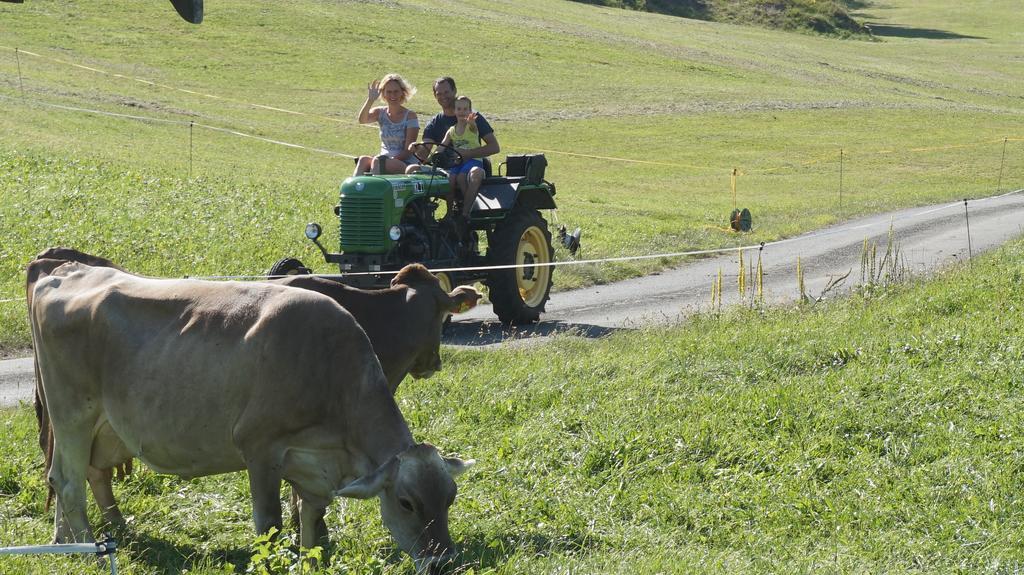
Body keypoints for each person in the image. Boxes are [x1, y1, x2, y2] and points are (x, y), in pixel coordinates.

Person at [407, 77, 500, 218]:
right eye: (439, 93)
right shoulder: (434, 123)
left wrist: (468, 154)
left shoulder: (472, 118)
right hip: (446, 169)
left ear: (454, 91)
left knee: (470, 174)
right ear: (435, 96)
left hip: (470, 165)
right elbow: (426, 152)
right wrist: (416, 149)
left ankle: (465, 212)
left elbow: (494, 147)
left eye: (446, 92)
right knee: (411, 169)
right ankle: (418, 215)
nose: (443, 96)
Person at [354, 73, 419, 176]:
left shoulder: (410, 116)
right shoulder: (380, 112)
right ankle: (354, 190)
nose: (392, 95)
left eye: (396, 91)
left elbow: (408, 151)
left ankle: (374, 190)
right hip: (382, 159)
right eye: (389, 92)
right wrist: (370, 100)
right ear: (383, 93)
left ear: (402, 93)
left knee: (378, 161)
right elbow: (362, 120)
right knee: (363, 160)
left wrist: (387, 160)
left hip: (404, 162)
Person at [440, 96, 487, 218]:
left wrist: (472, 122)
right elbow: (441, 146)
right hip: (459, 162)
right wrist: (430, 158)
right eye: (459, 109)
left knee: (461, 178)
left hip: (473, 160)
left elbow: (473, 127)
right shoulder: (451, 130)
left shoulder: (471, 127)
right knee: (450, 180)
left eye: (465, 109)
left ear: (470, 111)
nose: (462, 112)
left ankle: (467, 209)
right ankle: (450, 212)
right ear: (454, 111)